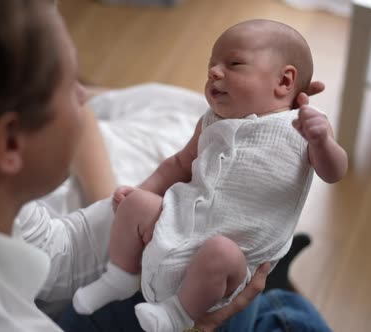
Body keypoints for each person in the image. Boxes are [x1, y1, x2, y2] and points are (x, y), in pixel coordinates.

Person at [0, 1, 270, 331]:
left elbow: (58, 252)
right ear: (9, 142)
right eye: (72, 86)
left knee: (275, 308)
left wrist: (145, 213)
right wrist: (200, 326)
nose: (86, 98)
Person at [72, 19, 347, 332]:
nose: (215, 73)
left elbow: (334, 172)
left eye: (234, 63)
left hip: (232, 257)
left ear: (285, 81)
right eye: (211, 68)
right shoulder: (211, 121)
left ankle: (176, 312)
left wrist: (323, 142)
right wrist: (141, 190)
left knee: (222, 253)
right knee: (138, 204)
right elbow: (178, 163)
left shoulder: (305, 126)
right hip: (178, 227)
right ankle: (118, 277)